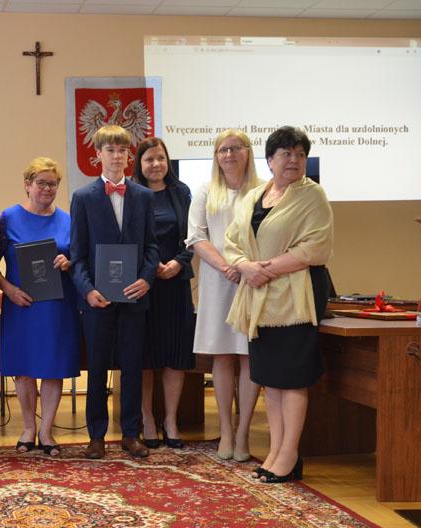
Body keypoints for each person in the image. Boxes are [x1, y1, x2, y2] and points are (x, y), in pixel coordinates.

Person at [225, 126, 333, 483]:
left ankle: (289, 455)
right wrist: (245, 266)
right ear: (270, 160)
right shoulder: (255, 195)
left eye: (300, 154)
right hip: (260, 299)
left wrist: (263, 269)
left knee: (292, 379)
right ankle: (275, 451)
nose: (294, 160)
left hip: (296, 296)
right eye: (286, 153)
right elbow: (232, 242)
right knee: (271, 380)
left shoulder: (312, 195)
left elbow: (315, 248)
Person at [70, 124, 159, 460]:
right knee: (96, 367)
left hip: (134, 297)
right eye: (110, 150)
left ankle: (131, 433)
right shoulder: (83, 198)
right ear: (98, 155)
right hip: (98, 300)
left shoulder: (144, 196)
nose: (117, 156)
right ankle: (96, 436)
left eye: (122, 150)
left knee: (133, 366)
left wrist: (147, 279)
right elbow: (78, 254)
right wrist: (88, 291)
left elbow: (152, 247)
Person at [186, 129, 262, 461]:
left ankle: (243, 433)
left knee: (248, 355)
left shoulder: (263, 191)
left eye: (235, 148)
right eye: (222, 150)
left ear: (248, 152)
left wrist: (244, 267)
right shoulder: (206, 191)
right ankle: (226, 432)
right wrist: (226, 266)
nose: (228, 155)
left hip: (252, 281)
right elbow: (196, 237)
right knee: (222, 355)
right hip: (218, 281)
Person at [0, 157, 79, 456]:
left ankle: (46, 431)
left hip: (57, 306)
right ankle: (28, 428)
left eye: (53, 184)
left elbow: (80, 260)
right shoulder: (8, 217)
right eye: (41, 183)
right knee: (24, 368)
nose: (47, 188)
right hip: (21, 304)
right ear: (27, 185)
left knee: (53, 367)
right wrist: (8, 289)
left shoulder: (68, 220)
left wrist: (68, 262)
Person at [131, 138, 195, 450]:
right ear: (139, 164)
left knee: (175, 355)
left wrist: (178, 263)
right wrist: (149, 267)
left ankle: (170, 420)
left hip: (176, 283)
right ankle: (147, 419)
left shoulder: (181, 192)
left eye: (160, 158)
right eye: (149, 159)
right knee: (144, 356)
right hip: (143, 286)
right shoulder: (132, 194)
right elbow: (126, 237)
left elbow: (194, 237)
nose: (156, 164)